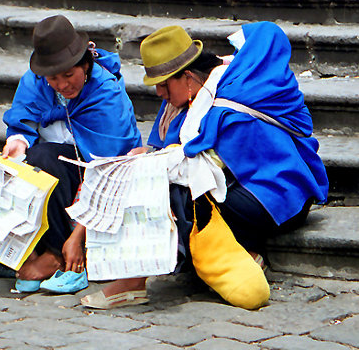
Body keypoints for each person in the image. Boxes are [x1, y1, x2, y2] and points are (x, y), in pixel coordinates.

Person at [81, 21, 329, 309]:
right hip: (243, 192)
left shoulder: (229, 105)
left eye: (163, 84)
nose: (159, 93)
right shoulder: (187, 95)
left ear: (187, 77)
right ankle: (240, 254)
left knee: (178, 195)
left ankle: (134, 280)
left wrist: (153, 162)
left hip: (278, 199)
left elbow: (202, 165)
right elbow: (167, 147)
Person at [2, 15, 142, 289]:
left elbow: (109, 169)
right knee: (24, 162)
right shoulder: (34, 83)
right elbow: (22, 122)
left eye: (69, 75)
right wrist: (18, 141)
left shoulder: (105, 94)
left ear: (86, 66)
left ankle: (58, 253)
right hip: (57, 170)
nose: (63, 85)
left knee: (45, 158)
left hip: (100, 182)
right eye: (53, 78)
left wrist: (78, 235)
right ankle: (31, 248)